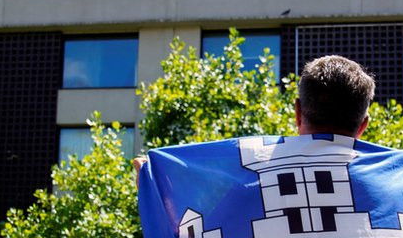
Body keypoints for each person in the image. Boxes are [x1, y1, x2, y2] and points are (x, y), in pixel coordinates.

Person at [133, 54, 376, 181]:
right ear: (363, 125)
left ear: (297, 113)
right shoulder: (397, 188)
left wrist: (155, 192)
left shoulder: (248, 178)